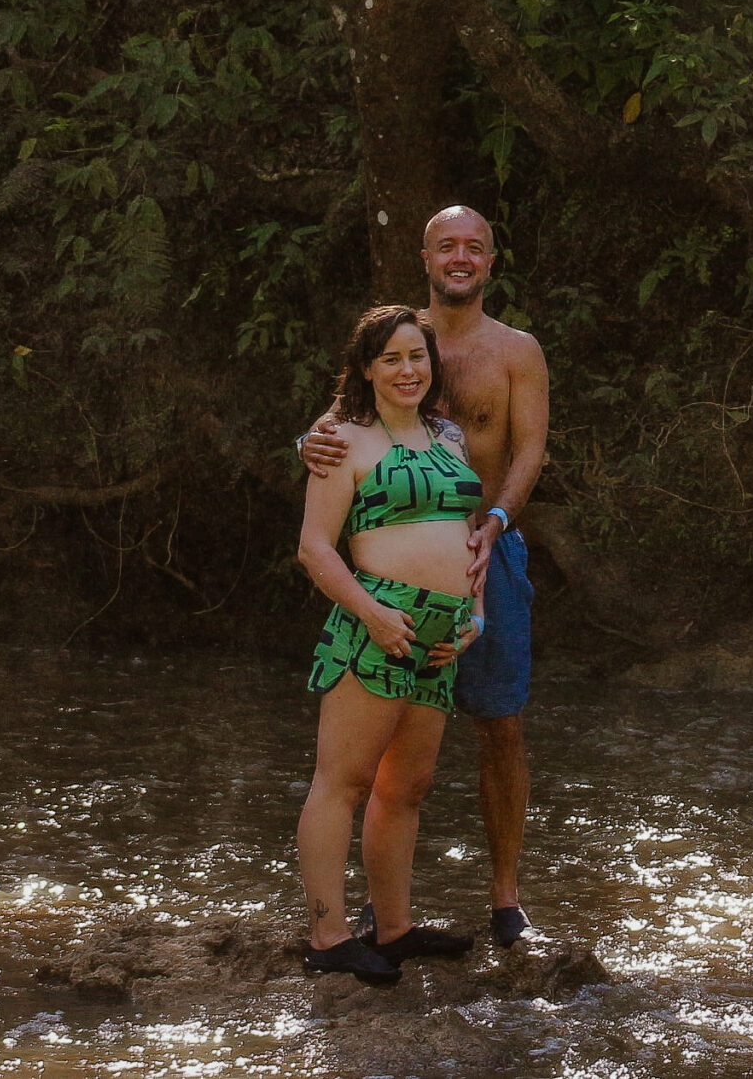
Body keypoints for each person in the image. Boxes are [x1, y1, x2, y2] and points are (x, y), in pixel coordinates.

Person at [301, 205, 549, 948]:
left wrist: (495, 526)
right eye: (447, 244)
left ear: (492, 261)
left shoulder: (517, 350)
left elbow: (530, 449)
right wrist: (307, 442)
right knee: (368, 760)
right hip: (388, 576)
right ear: (426, 256)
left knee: (498, 725)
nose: (461, 256)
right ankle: (359, 924)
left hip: (486, 553)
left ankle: (504, 897)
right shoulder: (396, 338)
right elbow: (334, 429)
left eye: (475, 246)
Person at [295, 304, 483, 985]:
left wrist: (475, 615)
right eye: (393, 358)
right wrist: (372, 613)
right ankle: (327, 935)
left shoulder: (449, 437)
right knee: (341, 783)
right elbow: (315, 548)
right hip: (375, 624)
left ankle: (394, 927)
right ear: (368, 369)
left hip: (441, 634)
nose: (409, 369)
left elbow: (468, 535)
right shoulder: (341, 437)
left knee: (406, 786)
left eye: (418, 357)